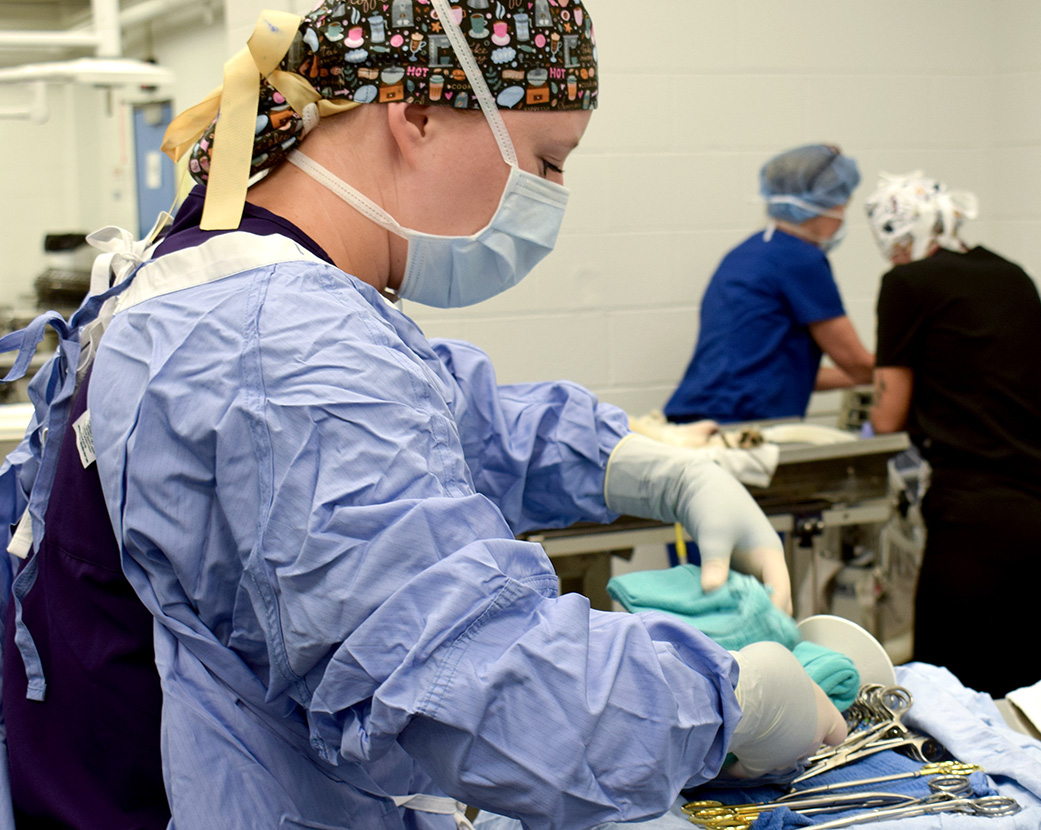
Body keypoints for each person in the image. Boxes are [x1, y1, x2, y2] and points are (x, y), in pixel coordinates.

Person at [0, 2, 847, 828]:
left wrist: (649, 467)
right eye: (548, 164)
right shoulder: (279, 341)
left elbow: (436, 424)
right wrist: (729, 703)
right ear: (418, 114)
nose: (551, 197)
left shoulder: (219, 268)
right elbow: (471, 688)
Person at [864, 172, 1041, 698]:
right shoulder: (1013, 274)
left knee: (951, 712)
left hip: (978, 528)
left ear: (907, 237)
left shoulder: (905, 284)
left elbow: (888, 414)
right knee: (1039, 709)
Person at [664, 144, 875, 425]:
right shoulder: (800, 260)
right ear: (822, 207)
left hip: (699, 418)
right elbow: (858, 365)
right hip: (740, 424)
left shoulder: (748, 253)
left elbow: (777, 369)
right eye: (842, 205)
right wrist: (915, 372)